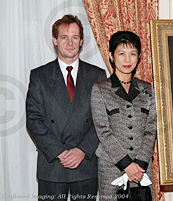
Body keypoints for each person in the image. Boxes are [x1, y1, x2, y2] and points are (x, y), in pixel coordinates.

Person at [26, 15, 106, 201]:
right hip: (52, 164)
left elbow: (102, 120)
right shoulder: (39, 76)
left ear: (81, 41)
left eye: (75, 37)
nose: (70, 43)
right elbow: (33, 120)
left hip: (85, 164)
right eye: (64, 37)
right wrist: (60, 152)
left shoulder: (97, 75)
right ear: (55, 40)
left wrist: (82, 150)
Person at [91, 31, 156, 201]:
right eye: (122, 53)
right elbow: (103, 131)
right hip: (112, 168)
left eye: (132, 54)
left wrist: (140, 164)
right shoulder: (100, 89)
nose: (127, 60)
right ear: (111, 56)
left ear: (139, 57)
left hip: (143, 170)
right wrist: (126, 165)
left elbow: (151, 129)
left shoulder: (148, 89)